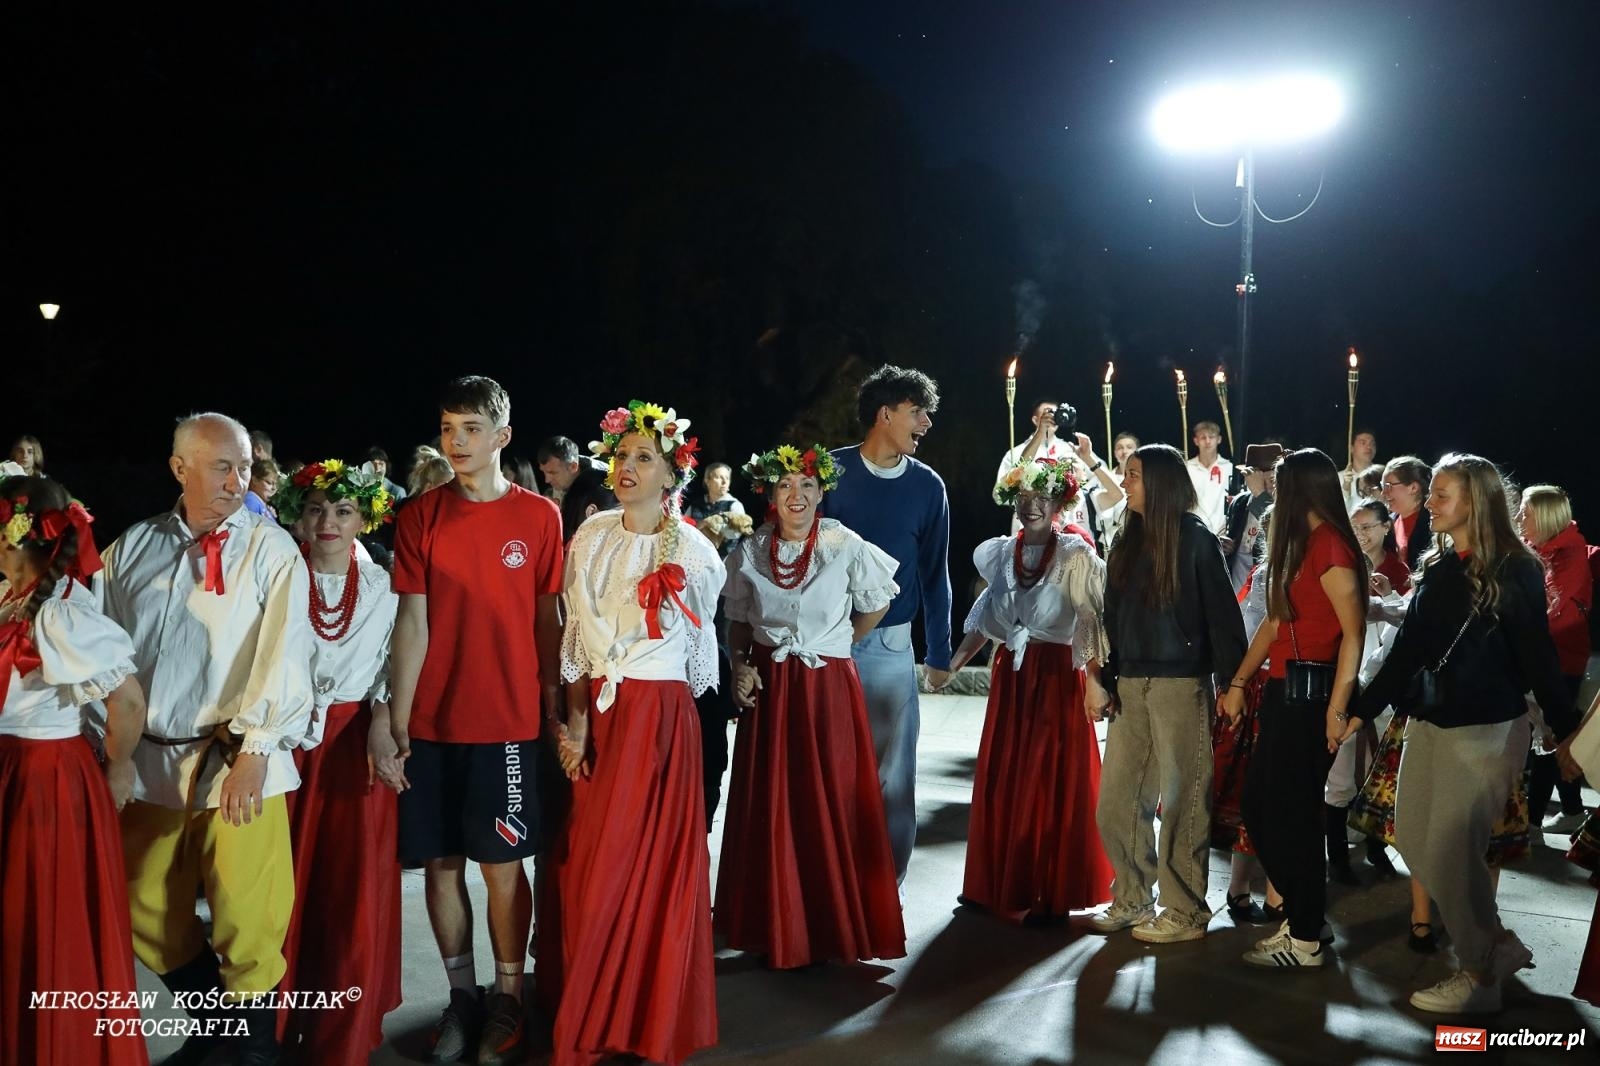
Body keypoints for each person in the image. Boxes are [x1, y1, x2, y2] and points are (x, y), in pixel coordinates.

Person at [100, 412, 313, 1065]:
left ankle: (253, 1052)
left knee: (250, 917)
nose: (236, 480)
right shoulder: (132, 547)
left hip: (236, 762)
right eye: (221, 465)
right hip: (150, 761)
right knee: (143, 910)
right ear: (179, 468)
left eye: (244, 466)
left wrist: (256, 751)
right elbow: (97, 646)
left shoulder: (271, 550)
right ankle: (207, 1032)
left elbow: (285, 653)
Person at [1351, 454, 1568, 1013]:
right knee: (1419, 842)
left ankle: (1479, 977)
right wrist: (1359, 710)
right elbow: (1407, 654)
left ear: (1476, 502)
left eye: (1442, 494)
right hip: (1428, 722)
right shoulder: (1442, 568)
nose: (1431, 503)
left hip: (1488, 731)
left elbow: (1538, 659)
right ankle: (1492, 949)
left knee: (1452, 850)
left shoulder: (1515, 569)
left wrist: (1565, 734)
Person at [541, 398, 721, 1065]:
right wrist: (578, 723)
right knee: (593, 864)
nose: (627, 467)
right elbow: (577, 640)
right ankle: (588, 1014)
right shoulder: (590, 537)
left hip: (662, 723)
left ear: (672, 473)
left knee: (654, 870)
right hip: (606, 718)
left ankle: (648, 1016)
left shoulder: (699, 555)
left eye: (644, 458)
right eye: (621, 455)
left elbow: (699, 660)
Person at [389, 376, 563, 1064]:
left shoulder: (541, 518)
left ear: (501, 436)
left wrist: (554, 705)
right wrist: (398, 721)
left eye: (468, 428)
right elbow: (411, 622)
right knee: (440, 863)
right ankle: (461, 998)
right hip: (432, 724)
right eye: (446, 428)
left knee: (500, 866)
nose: (455, 441)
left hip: (508, 725)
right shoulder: (419, 515)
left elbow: (548, 618)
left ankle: (508, 995)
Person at [717, 443, 905, 963]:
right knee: (775, 799)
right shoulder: (751, 550)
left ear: (821, 492)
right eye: (785, 486)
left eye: (806, 486)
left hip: (826, 687)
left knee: (834, 794)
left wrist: (841, 639)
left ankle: (832, 922)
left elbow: (879, 600)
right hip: (772, 689)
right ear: (771, 495)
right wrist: (740, 663)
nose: (796, 496)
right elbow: (736, 619)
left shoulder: (843, 543)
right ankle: (772, 923)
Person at [0, 479, 150, 1066]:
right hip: (15, 772)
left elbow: (128, 700)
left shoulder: (61, 612)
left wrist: (118, 767)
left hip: (47, 777)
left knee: (47, 917)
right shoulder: (15, 599)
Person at [268, 461, 403, 1063]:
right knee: (277, 889)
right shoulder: (275, 576)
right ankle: (266, 1029)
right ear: (300, 513)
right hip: (283, 741)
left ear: (363, 519)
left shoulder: (381, 586)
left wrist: (381, 717)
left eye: (343, 511)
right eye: (317, 508)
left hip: (352, 748)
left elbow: (396, 666)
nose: (328, 521)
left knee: (350, 887)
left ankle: (339, 1031)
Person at [947, 456, 1114, 922]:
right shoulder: (1002, 552)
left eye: (1041, 498)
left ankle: (1048, 887)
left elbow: (1088, 621)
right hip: (1012, 677)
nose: (1031, 507)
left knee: (1048, 776)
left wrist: (1095, 683)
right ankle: (995, 881)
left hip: (1057, 675)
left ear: (1059, 503)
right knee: (1005, 774)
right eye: (1023, 498)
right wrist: (951, 665)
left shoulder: (1075, 555)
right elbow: (985, 620)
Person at [1093, 444, 1246, 942]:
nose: (1126, 482)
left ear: (1159, 483)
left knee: (1183, 799)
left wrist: (1232, 685)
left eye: (1134, 475)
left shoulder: (1194, 538)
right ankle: (1133, 898)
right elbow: (1112, 617)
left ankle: (1184, 910)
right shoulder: (1129, 538)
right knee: (1117, 800)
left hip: (1182, 683)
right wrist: (1109, 678)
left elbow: (1224, 617)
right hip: (1133, 682)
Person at [1221, 449, 1366, 968]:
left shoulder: (1330, 544)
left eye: (1280, 484)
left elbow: (1354, 632)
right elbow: (1275, 623)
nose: (1273, 493)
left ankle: (1305, 933)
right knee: (1262, 808)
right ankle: (1307, 921)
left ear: (1300, 488)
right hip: (1284, 690)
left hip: (1311, 696)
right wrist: (1239, 680)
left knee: (1290, 815)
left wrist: (1338, 706)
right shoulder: (1301, 544)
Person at [826, 364, 953, 884]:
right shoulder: (828, 473)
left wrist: (939, 651)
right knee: (830, 768)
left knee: (893, 776)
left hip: (891, 649)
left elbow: (935, 571)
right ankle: (832, 887)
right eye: (917, 412)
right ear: (885, 414)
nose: (926, 423)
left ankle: (884, 888)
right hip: (825, 644)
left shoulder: (928, 486)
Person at [1517, 484, 1590, 831]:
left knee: (1549, 741)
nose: (1518, 518)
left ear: (1544, 517)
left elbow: (1563, 618)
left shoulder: (1570, 555)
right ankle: (1573, 810)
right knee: (1555, 736)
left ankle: (1530, 824)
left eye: (1525, 513)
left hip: (1561, 662)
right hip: (1544, 657)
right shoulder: (1538, 549)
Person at [994, 401, 1120, 541]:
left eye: (1056, 413)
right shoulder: (1016, 452)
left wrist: (1081, 491)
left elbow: (1103, 479)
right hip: (1030, 526)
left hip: (1073, 524)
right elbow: (1000, 494)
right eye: (1047, 413)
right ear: (1036, 419)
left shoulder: (1070, 449)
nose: (1052, 417)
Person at [537, 435, 610, 544]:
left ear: (573, 467)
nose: (547, 480)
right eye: (544, 472)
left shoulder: (605, 480)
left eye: (553, 473)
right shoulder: (557, 486)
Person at [687, 461, 751, 559]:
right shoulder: (696, 505)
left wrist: (708, 524)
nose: (724, 482)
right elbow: (683, 529)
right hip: (695, 559)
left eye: (727, 478)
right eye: (719, 477)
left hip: (724, 562)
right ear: (707, 481)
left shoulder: (734, 505)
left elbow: (735, 533)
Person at [1381, 455, 1432, 571]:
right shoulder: (1389, 522)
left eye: (1388, 486)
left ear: (1413, 488)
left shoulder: (1433, 524)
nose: (1383, 493)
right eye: (1382, 486)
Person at [1091, 431, 1139, 550]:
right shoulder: (1106, 479)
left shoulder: (1144, 478)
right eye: (1120, 448)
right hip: (1113, 534)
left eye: (1129, 447)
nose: (1124, 451)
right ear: (1114, 453)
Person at [1186, 421, 1234, 535]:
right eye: (1203, 437)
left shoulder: (1229, 467)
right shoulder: (1187, 468)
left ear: (1219, 439)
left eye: (1211, 437)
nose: (1207, 441)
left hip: (1221, 532)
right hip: (1194, 531)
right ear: (1196, 441)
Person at [1340, 430, 1379, 510]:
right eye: (1363, 443)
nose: (1369, 447)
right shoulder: (1338, 478)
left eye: (1372, 443)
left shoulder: (1383, 475)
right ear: (1351, 448)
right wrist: (1345, 490)